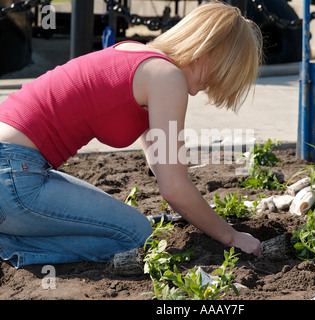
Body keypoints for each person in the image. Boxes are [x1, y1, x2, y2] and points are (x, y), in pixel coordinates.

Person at [0, 1, 263, 274]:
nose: (212, 87)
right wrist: (232, 237)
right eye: (225, 73)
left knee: (126, 224)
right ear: (212, 53)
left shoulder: (138, 55)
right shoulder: (168, 78)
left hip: (14, 170)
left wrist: (191, 199)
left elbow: (159, 162)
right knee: (136, 234)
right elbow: (173, 190)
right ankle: (9, 243)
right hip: (14, 176)